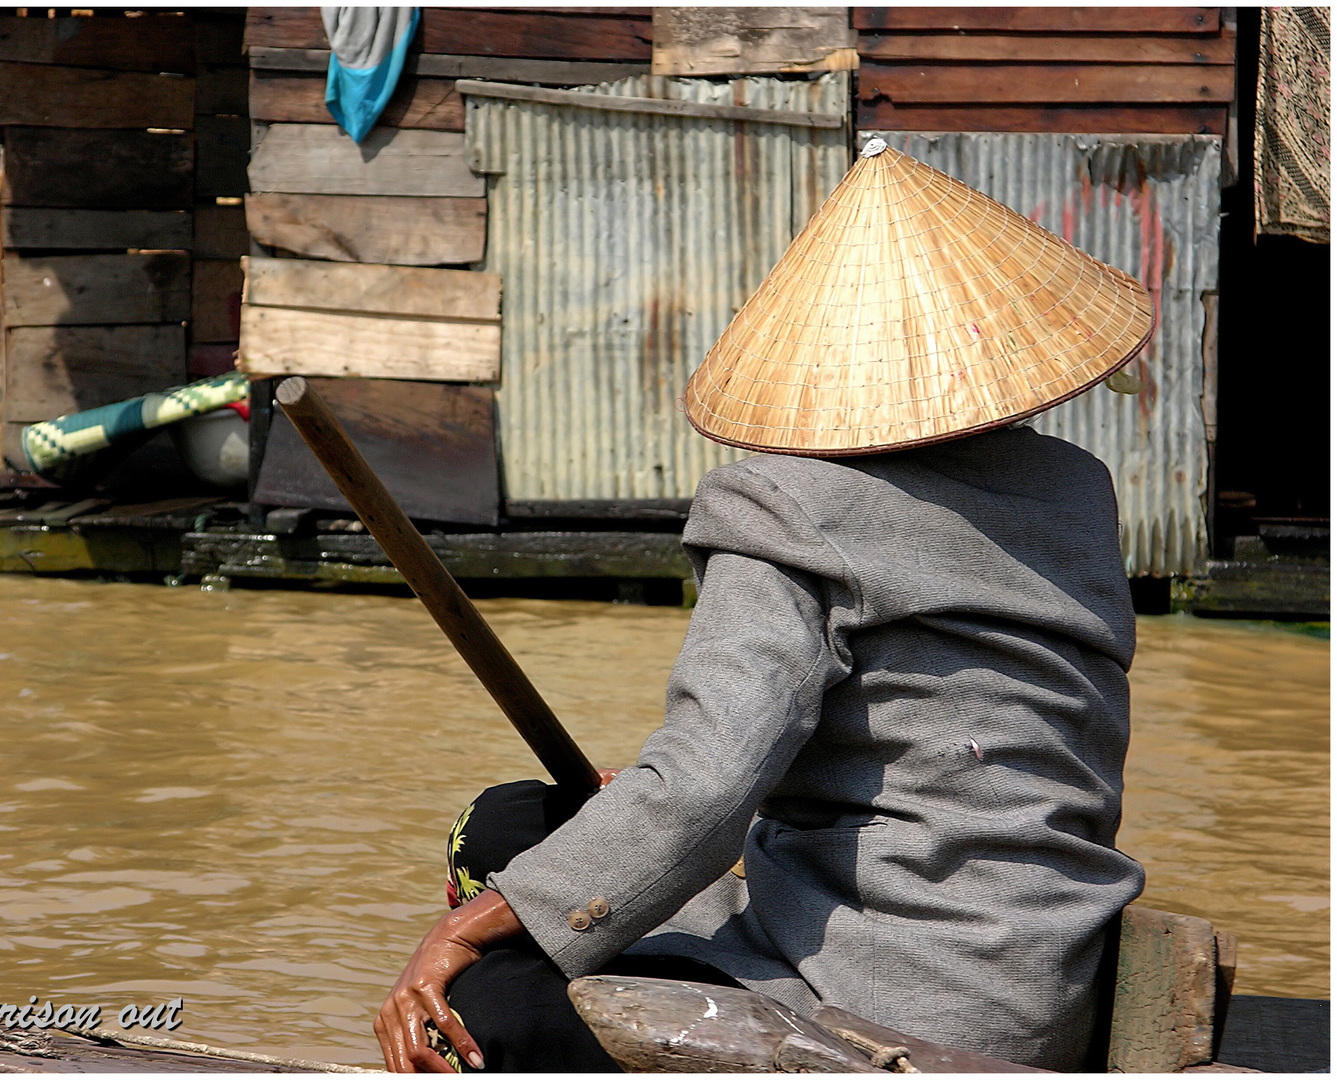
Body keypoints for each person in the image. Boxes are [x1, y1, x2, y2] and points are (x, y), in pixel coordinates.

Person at [373, 137, 1152, 1072]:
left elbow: (706, 788)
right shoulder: (1074, 489)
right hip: (1035, 982)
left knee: (472, 1005)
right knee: (515, 826)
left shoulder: (786, 505)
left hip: (881, 997)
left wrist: (460, 938)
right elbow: (939, 739)